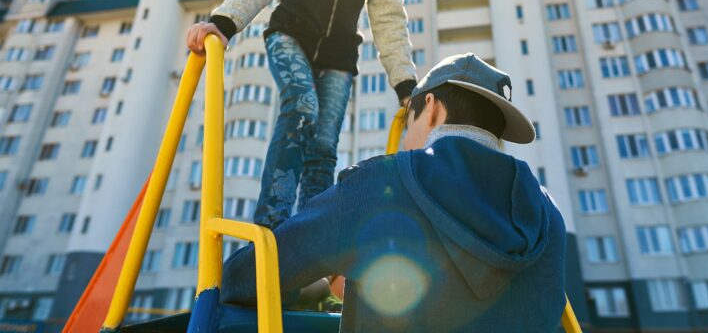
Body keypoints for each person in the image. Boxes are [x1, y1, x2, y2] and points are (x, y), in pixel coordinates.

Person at [222, 53, 567, 333]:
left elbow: (249, 276)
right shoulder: (548, 215)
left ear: (430, 107)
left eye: (407, 123)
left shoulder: (383, 182)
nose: (403, 139)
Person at [186, 0, 418, 229]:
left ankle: (311, 240)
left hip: (338, 58)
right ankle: (272, 224)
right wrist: (223, 22)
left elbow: (388, 18)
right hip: (289, 36)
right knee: (302, 108)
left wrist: (406, 85)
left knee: (324, 146)